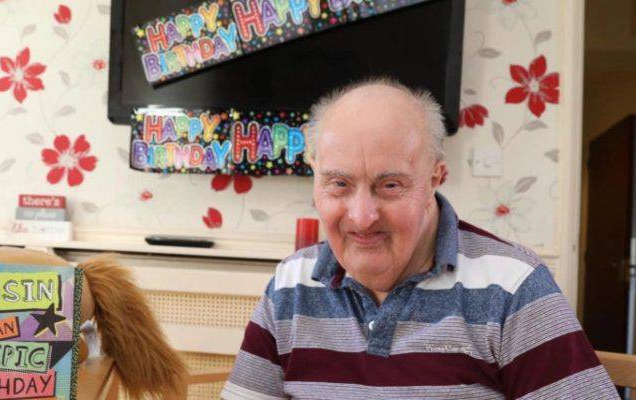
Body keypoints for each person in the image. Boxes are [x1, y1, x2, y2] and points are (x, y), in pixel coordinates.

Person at [221, 77, 618, 399]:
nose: (362, 217)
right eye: (339, 184)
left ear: (435, 178)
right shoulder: (290, 285)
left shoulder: (513, 286)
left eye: (390, 185)